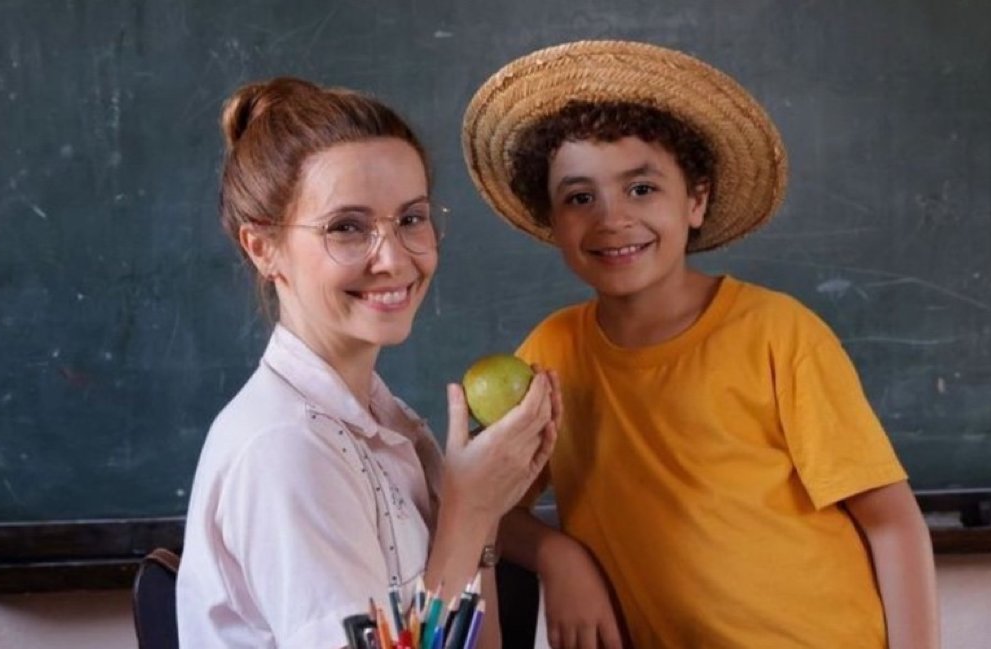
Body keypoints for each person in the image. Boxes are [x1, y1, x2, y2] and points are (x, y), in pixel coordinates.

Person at [462, 41, 940, 649]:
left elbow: (891, 522)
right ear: (553, 221)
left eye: (642, 189)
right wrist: (557, 555)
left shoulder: (777, 332)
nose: (612, 219)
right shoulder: (551, 354)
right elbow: (485, 504)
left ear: (696, 200)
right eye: (580, 198)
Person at [177, 77, 558, 648]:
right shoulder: (287, 450)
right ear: (263, 248)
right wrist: (467, 511)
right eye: (347, 228)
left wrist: (481, 518)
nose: (394, 259)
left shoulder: (387, 423)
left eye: (411, 219)